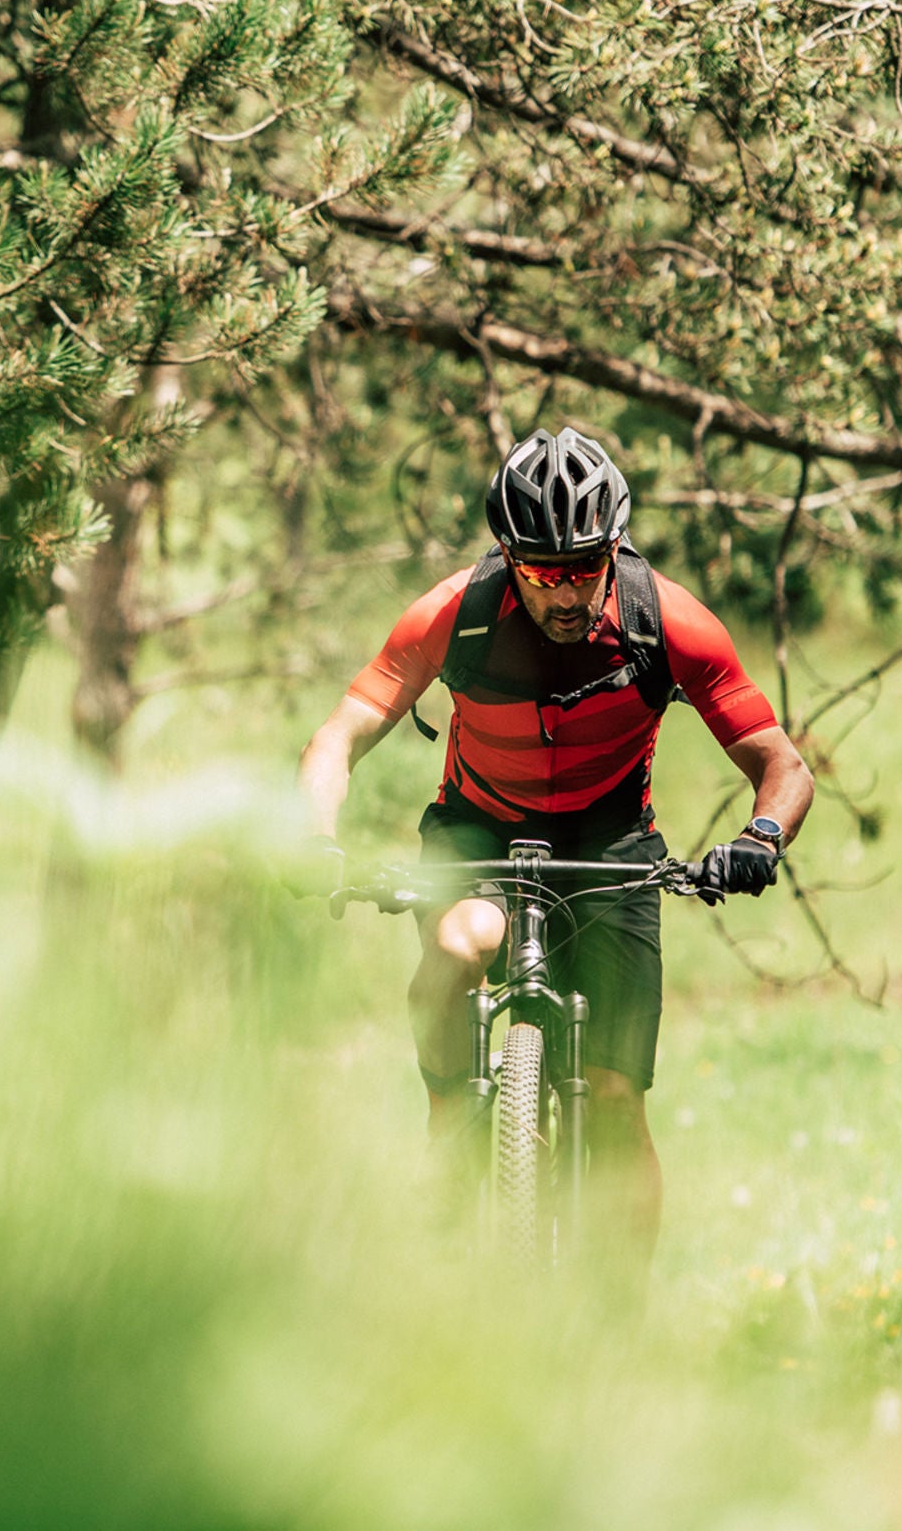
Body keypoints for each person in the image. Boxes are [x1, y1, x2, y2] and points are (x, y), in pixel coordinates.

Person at [295, 427, 814, 1259]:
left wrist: (760, 837)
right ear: (510, 557)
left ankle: (617, 1329)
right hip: (478, 825)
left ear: (615, 549)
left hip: (609, 844)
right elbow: (336, 740)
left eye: (585, 570)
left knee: (613, 1102)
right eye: (543, 574)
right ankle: (448, 1126)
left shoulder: (668, 622)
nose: (567, 595)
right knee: (465, 939)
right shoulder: (453, 616)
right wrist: (315, 841)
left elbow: (782, 766)